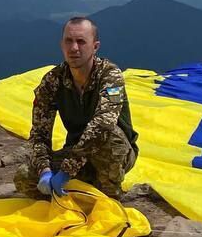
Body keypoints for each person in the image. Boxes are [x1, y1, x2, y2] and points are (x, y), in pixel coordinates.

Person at [13, 16, 139, 201]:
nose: (74, 48)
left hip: (115, 152)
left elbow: (103, 125)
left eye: (81, 42)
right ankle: (79, 190)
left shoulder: (110, 75)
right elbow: (39, 134)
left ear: (95, 47)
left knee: (109, 136)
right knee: (25, 178)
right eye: (69, 41)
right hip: (76, 153)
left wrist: (66, 171)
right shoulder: (52, 81)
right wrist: (45, 171)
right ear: (61, 44)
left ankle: (109, 194)